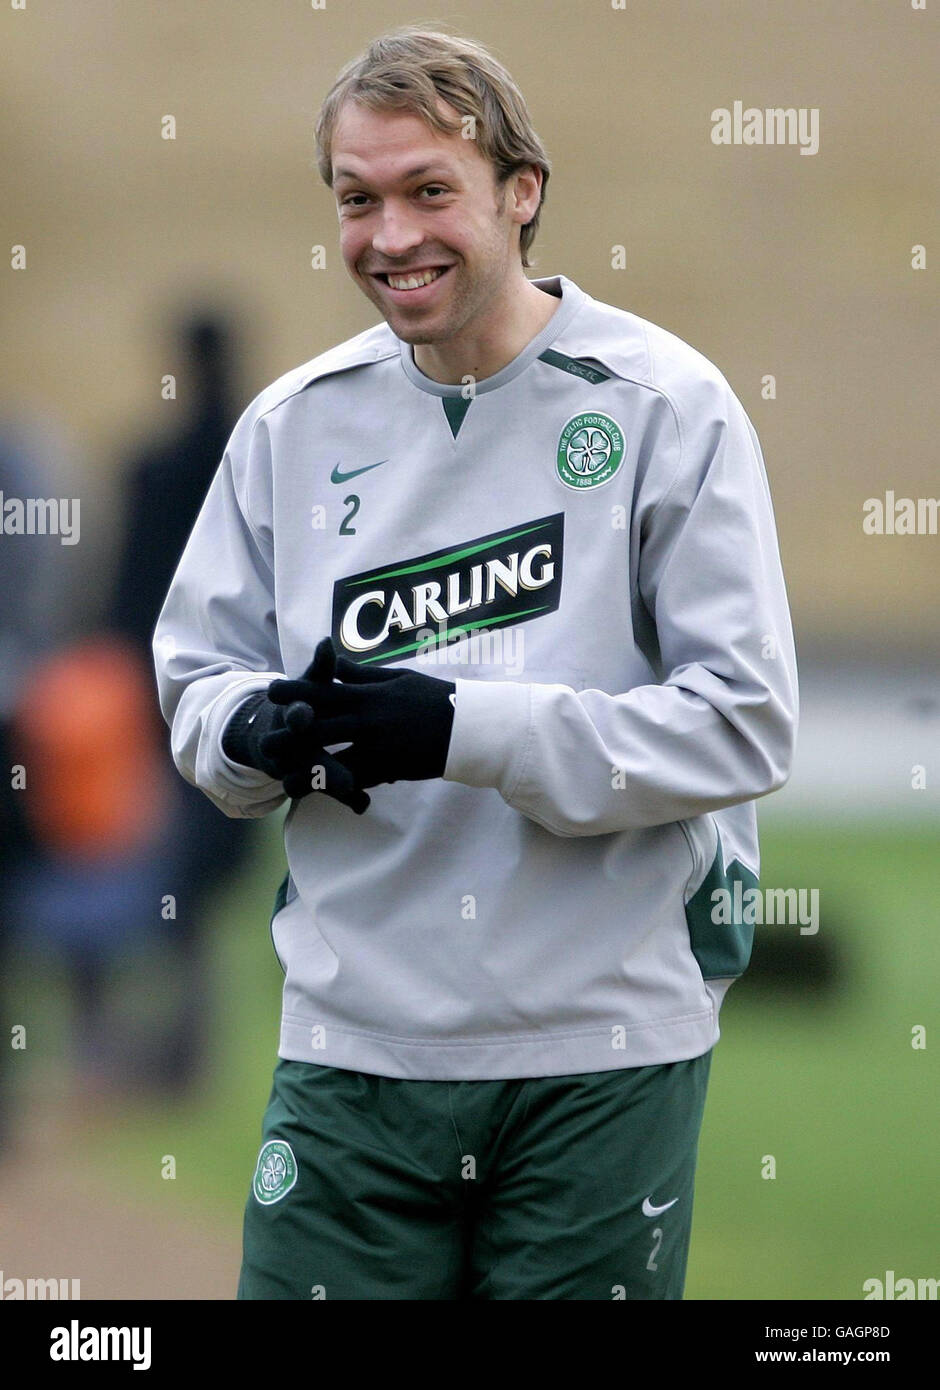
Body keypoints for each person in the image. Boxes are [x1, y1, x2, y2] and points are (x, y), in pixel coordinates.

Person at [153, 25, 798, 1300]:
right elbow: (193, 679)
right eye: (358, 199)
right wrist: (251, 735)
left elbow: (745, 725)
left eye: (429, 191)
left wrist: (464, 729)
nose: (391, 236)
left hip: (600, 1047)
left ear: (522, 191)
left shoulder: (665, 406)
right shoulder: (291, 427)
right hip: (355, 1049)